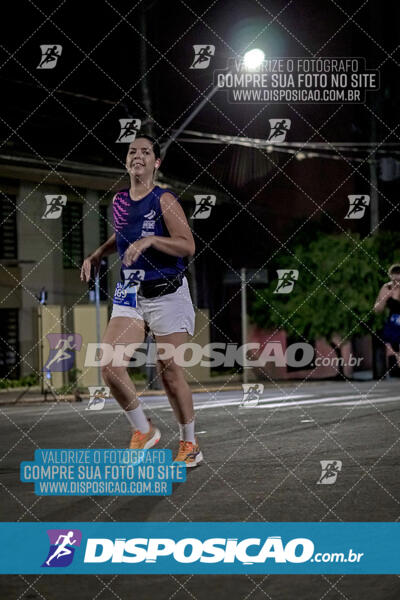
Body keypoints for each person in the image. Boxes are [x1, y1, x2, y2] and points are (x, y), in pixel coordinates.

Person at [80, 134, 203, 467]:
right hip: (131, 293)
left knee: (170, 372)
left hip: (168, 293)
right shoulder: (119, 201)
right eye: (132, 151)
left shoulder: (164, 200)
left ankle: (189, 443)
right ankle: (144, 430)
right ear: (126, 161)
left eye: (145, 152)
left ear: (156, 163)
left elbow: (187, 245)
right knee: (109, 366)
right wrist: (96, 255)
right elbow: (120, 235)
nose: (138, 156)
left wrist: (151, 240)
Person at [374, 263, 400, 367]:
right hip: (394, 324)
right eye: (395, 280)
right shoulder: (386, 288)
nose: (397, 283)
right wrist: (384, 299)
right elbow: (377, 310)